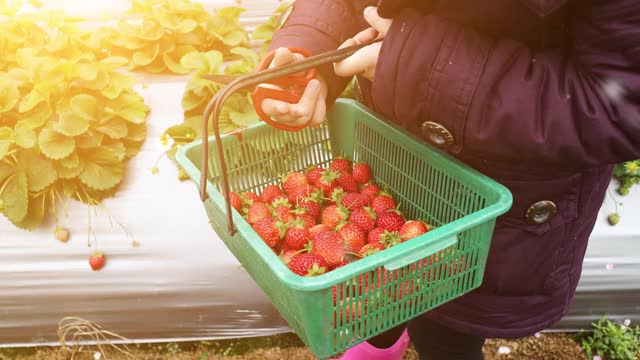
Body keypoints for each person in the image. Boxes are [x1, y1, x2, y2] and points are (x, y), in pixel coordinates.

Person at [259, 1, 640, 359]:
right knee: (377, 278)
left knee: (450, 313)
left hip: (504, 190)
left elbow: (622, 105)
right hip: (394, 148)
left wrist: (418, 65)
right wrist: (312, 48)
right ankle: (382, 338)